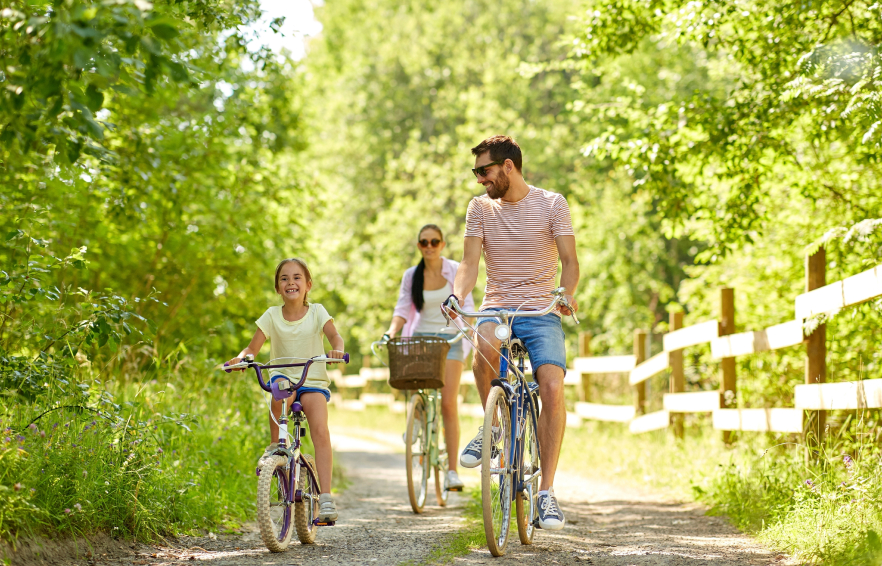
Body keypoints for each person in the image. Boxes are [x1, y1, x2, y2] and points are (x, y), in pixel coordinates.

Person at [446, 135, 580, 530]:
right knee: (483, 346)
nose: (479, 180)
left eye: (484, 171)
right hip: (498, 305)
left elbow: (570, 260)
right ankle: (497, 426)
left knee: (552, 385)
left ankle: (546, 493)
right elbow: (469, 263)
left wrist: (566, 295)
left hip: (542, 310)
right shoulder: (480, 209)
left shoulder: (553, 203)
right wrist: (458, 295)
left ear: (508, 167)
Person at [227, 258, 345, 523]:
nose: (290, 282)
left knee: (320, 428)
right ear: (278, 287)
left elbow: (334, 336)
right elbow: (251, 349)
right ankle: (276, 448)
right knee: (278, 392)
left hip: (312, 378)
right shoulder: (271, 315)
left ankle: (325, 496)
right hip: (284, 375)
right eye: (284, 279)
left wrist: (337, 348)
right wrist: (241, 358)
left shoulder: (317, 312)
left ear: (308, 285)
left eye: (297, 278)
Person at [385, 224, 475, 492]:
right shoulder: (412, 276)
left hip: (450, 340)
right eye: (424, 242)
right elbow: (402, 307)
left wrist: (466, 327)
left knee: (448, 403)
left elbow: (468, 307)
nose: (429, 247)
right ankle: (416, 421)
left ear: (442, 245)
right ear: (419, 246)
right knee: (415, 387)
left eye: (434, 242)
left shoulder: (455, 270)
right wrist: (392, 331)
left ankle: (451, 472)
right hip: (421, 338)